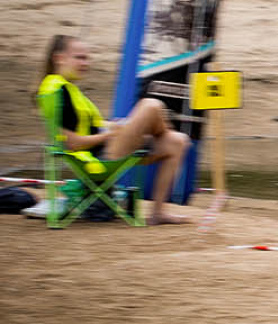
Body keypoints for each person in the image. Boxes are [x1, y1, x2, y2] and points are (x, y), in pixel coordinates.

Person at [32, 34, 192, 225]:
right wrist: (111, 134)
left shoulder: (68, 88)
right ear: (59, 58)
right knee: (151, 105)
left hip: (105, 148)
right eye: (80, 57)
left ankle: (158, 213)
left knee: (177, 141)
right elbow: (73, 143)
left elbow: (88, 127)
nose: (86, 63)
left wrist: (111, 127)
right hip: (96, 159)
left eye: (87, 57)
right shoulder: (57, 91)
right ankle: (159, 131)